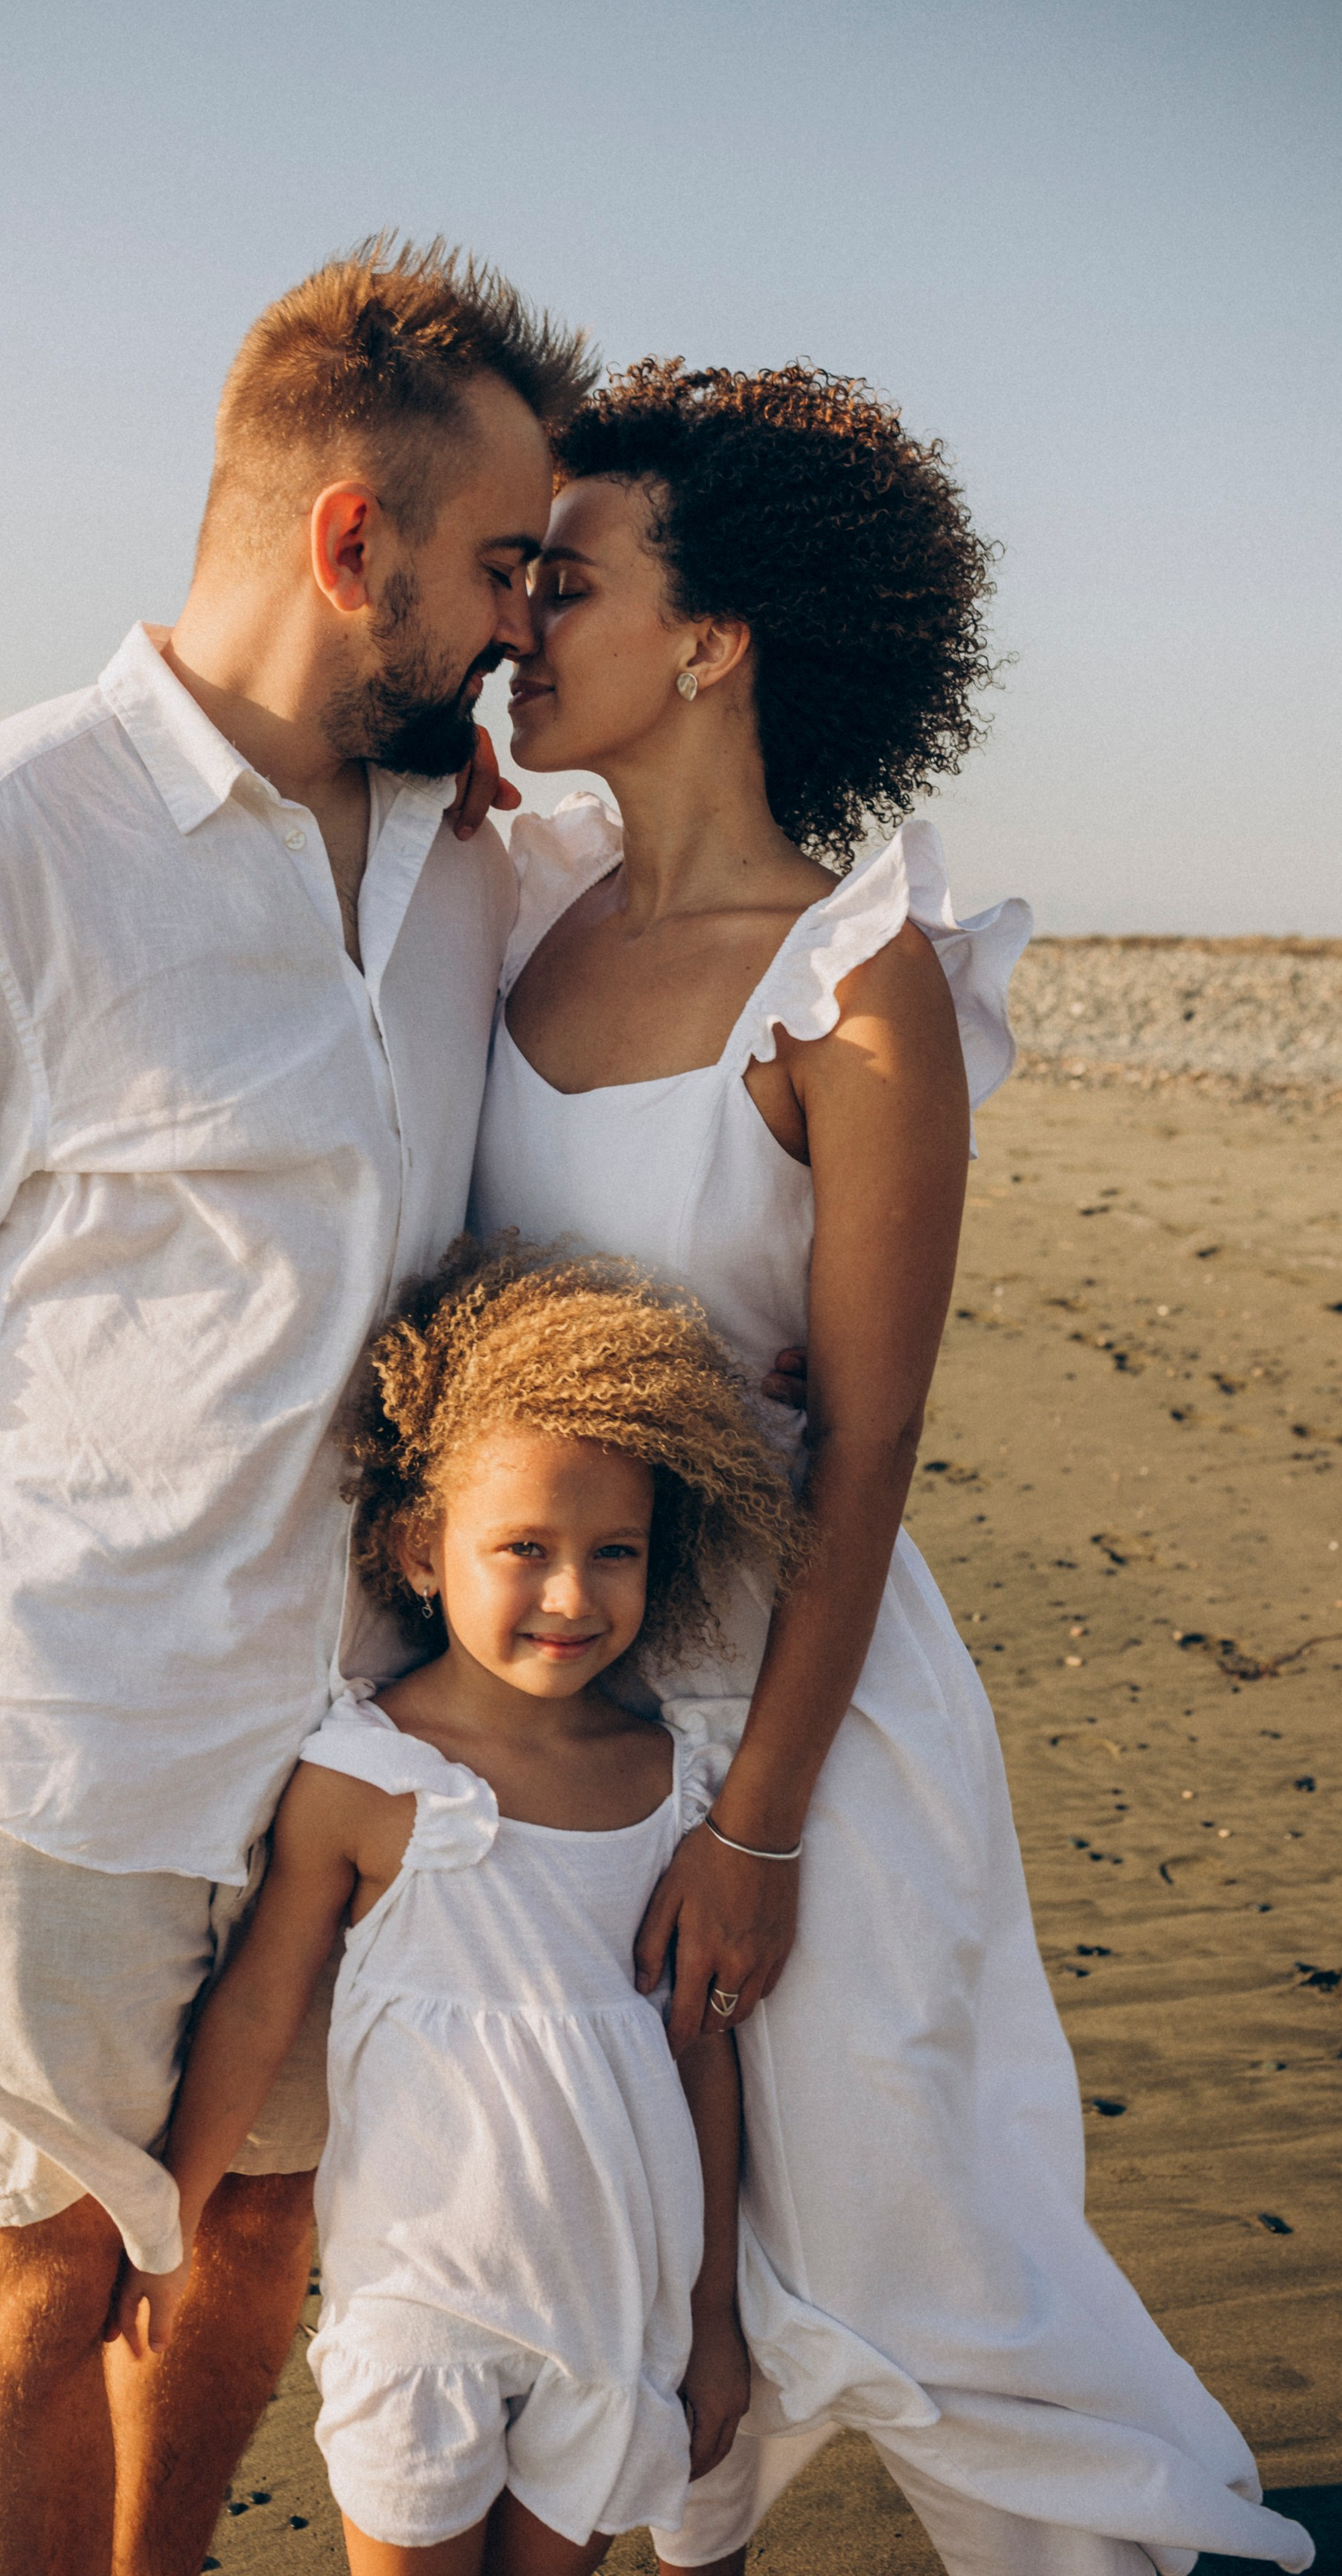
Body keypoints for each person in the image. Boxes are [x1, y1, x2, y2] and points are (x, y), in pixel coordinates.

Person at [0, 237, 594, 2576]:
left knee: (251, 2244)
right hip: (60, 1734)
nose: (526, 618)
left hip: (347, 1738)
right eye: (504, 565)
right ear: (350, 541)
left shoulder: (465, 860)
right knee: (36, 2269)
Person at [471, 361, 1313, 2575]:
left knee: (914, 2265)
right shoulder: (509, 900)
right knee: (626, 2300)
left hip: (794, 1723)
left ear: (713, 638)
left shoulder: (856, 988)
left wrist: (756, 1821)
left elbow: (869, 1439)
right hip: (532, 1708)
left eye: (565, 579)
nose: (515, 620)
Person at [110, 1240, 810, 2575]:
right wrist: (171, 2221)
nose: (570, 1595)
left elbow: (699, 2049)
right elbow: (261, 2002)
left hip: (619, 2315)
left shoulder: (672, 1789)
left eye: (615, 1552)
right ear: (422, 1549)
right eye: (522, 1550)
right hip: (421, 2307)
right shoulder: (368, 1775)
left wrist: (712, 2317)